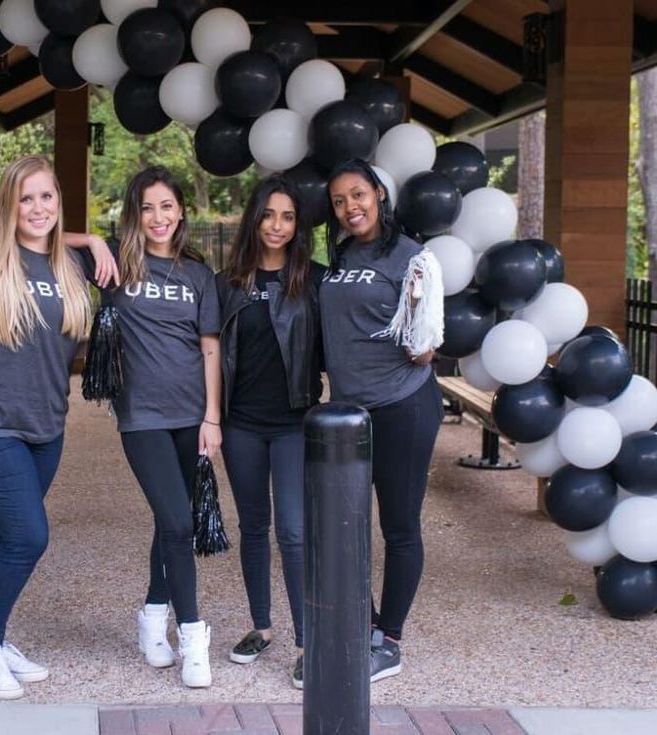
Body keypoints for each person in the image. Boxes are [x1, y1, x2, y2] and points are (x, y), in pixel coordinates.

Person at [0, 155, 115, 699]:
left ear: (58, 201)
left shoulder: (72, 263)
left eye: (46, 196)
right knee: (28, 536)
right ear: (8, 204)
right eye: (25, 198)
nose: (37, 208)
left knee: (1, 535)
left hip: (45, 428)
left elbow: (64, 239)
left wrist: (94, 239)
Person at [319, 158, 444, 683]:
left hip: (402, 406)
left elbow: (423, 352)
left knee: (398, 525)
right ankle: (363, 622)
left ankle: (389, 640)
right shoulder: (341, 255)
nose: (350, 207)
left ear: (379, 194)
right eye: (339, 201)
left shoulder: (412, 257)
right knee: (344, 525)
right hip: (349, 413)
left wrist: (418, 306)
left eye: (358, 195)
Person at [104, 166, 222, 688]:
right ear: (135, 213)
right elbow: (53, 240)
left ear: (181, 212)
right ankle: (193, 635)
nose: (158, 217)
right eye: (147, 207)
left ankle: (153, 617)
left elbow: (210, 348)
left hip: (191, 415)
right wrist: (92, 240)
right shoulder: (116, 264)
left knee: (170, 520)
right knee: (178, 522)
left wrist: (212, 417)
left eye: (167, 206)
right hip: (142, 417)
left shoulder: (198, 274)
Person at [216, 175, 325, 690]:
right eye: (268, 215)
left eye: (287, 216)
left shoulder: (315, 281)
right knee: (253, 526)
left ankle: (308, 642)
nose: (277, 226)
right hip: (241, 423)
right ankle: (262, 626)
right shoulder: (228, 283)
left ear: (298, 224)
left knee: (294, 531)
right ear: (253, 219)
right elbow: (209, 353)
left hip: (293, 423)